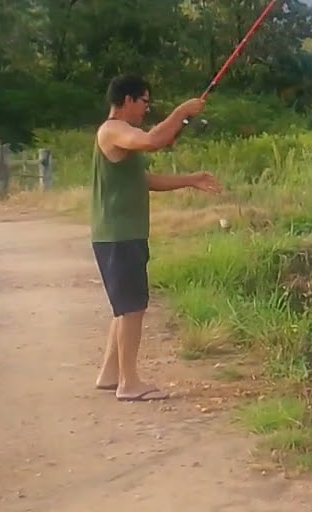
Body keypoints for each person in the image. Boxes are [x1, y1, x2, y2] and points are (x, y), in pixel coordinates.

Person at [90, 74, 222, 401]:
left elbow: (145, 180)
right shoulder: (113, 129)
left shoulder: (121, 139)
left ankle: (110, 374)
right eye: (145, 102)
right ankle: (129, 384)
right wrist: (182, 112)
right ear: (129, 100)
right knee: (132, 308)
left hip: (123, 234)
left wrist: (190, 179)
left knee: (125, 307)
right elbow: (152, 140)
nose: (146, 109)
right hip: (119, 235)